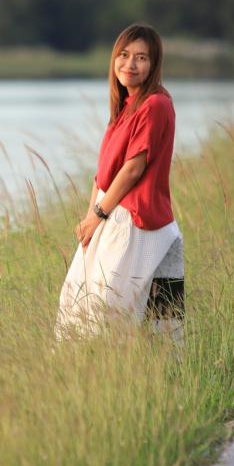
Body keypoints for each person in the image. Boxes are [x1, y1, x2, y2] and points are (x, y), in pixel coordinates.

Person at [56, 23, 185, 338]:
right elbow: (103, 175)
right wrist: (91, 218)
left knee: (112, 314)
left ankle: (125, 366)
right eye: (124, 55)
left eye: (141, 57)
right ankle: (95, 369)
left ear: (154, 64)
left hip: (138, 223)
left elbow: (133, 169)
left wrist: (97, 215)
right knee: (78, 303)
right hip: (113, 217)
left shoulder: (155, 104)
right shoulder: (126, 105)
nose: (130, 64)